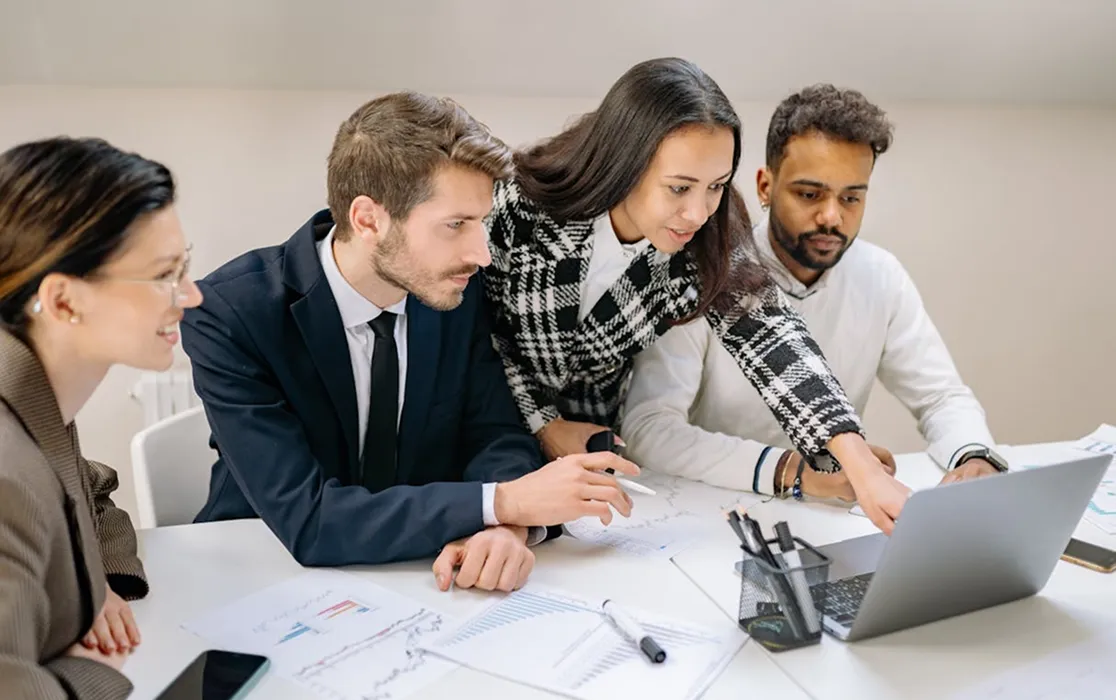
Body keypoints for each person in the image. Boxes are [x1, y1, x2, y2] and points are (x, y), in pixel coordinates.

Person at [181, 92, 639, 592]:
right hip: (257, 578)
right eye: (456, 225)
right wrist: (504, 503)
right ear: (368, 220)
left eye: (481, 223)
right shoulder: (230, 313)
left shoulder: (450, 288)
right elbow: (309, 519)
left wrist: (506, 530)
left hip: (418, 581)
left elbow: (494, 432)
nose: (482, 255)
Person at [483, 58, 911, 534]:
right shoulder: (521, 207)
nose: (697, 212)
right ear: (624, 163)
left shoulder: (709, 233)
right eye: (679, 188)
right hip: (490, 430)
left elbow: (774, 338)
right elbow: (479, 334)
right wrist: (543, 425)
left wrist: (860, 465)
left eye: (715, 187)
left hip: (596, 445)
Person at [622, 84, 1006, 501]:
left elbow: (940, 396)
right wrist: (791, 470)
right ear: (765, 187)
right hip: (705, 514)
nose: (831, 216)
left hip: (831, 514)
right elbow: (650, 427)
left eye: (851, 198)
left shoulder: (881, 276)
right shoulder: (706, 270)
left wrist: (974, 456)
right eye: (810, 194)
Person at [0, 136, 196, 698]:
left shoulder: (35, 391)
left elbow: (87, 488)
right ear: (63, 302)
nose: (193, 294)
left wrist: (98, 582)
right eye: (165, 274)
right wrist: (94, 674)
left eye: (186, 266)